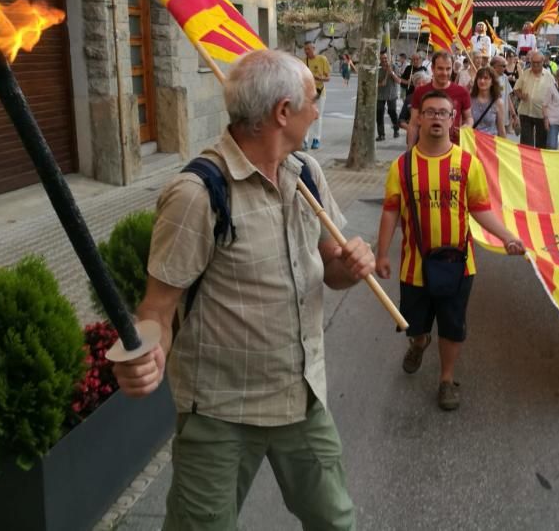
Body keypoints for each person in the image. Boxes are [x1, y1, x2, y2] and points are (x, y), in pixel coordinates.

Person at [112, 49, 375, 529]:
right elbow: (158, 307)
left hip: (302, 399)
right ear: (282, 112)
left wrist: (352, 265)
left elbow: (333, 270)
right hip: (220, 414)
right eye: (312, 100)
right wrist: (144, 354)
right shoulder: (197, 194)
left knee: (335, 522)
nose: (317, 111)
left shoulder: (307, 174)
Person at [376, 90, 525, 410]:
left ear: (453, 119)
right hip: (413, 267)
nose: (436, 118)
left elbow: (480, 208)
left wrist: (507, 236)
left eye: (443, 113)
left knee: (452, 325)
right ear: (419, 118)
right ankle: (419, 343)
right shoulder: (401, 167)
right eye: (429, 112)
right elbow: (390, 210)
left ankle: (446, 379)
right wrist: (381, 254)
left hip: (459, 266)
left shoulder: (467, 164)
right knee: (413, 327)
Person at [407, 50, 473, 146]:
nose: (445, 73)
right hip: (425, 147)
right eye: (440, 69)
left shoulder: (462, 92)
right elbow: (413, 124)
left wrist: (466, 126)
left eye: (448, 69)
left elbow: (469, 118)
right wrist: (410, 151)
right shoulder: (420, 92)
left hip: (453, 148)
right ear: (433, 68)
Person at [513, 50, 554, 148]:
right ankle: (527, 162)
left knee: (541, 143)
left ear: (543, 62)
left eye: (538, 63)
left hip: (541, 114)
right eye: (533, 62)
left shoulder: (549, 77)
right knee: (526, 143)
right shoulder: (525, 73)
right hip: (525, 113)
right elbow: (516, 89)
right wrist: (521, 95)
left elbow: (554, 96)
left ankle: (539, 162)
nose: (535, 65)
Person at [302, 42, 330, 149]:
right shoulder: (303, 62)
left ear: (314, 48)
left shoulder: (322, 59)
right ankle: (304, 140)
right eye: (305, 49)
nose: (306, 51)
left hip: (320, 92)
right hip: (308, 92)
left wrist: (319, 79)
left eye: (308, 49)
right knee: (307, 116)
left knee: (318, 116)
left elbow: (328, 78)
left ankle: (316, 139)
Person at [470, 66, 507, 136]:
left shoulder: (498, 103)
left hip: (490, 144)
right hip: (472, 143)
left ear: (492, 82)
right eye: (480, 78)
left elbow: (501, 129)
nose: (482, 81)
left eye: (486, 78)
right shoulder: (469, 100)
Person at [491, 55, 519, 134]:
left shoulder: (504, 77)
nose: (505, 68)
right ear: (495, 66)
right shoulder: (488, 78)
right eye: (503, 66)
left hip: (502, 117)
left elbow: (508, 98)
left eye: (505, 66)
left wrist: (514, 115)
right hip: (491, 118)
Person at [376, 50, 401, 141]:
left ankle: (396, 129)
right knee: (379, 114)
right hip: (380, 95)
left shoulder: (394, 66)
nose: (384, 60)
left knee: (392, 111)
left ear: (389, 58)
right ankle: (381, 134)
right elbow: (373, 83)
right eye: (382, 58)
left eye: (386, 58)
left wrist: (392, 73)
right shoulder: (377, 68)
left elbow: (399, 81)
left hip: (391, 94)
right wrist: (380, 84)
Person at [398, 52, 428, 125]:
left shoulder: (424, 69)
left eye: (417, 59)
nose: (415, 61)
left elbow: (427, 82)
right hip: (410, 93)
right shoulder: (408, 68)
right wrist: (409, 82)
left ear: (420, 60)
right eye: (413, 59)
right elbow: (401, 80)